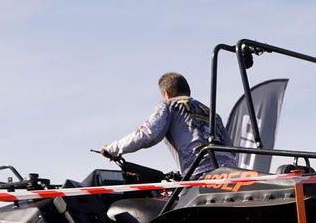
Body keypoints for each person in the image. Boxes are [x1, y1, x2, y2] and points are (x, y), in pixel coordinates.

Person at [102, 72, 237, 178]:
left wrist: (112, 149)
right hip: (232, 172)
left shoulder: (168, 105)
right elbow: (231, 148)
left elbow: (147, 135)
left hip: (200, 172)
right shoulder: (212, 113)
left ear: (166, 93)